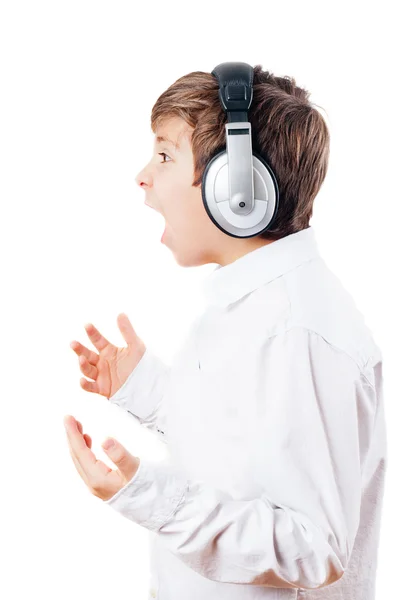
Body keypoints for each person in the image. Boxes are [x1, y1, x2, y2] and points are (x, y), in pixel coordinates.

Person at [69, 64, 387, 599]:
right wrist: (145, 390)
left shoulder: (298, 333)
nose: (143, 175)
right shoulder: (256, 306)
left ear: (236, 188)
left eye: (165, 155)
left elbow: (313, 549)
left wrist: (148, 496)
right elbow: (247, 449)